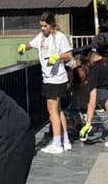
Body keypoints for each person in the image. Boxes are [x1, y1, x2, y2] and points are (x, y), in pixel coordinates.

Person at [18, 12, 73, 154]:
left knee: (52, 112)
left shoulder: (60, 37)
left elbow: (69, 54)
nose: (43, 28)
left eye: (45, 26)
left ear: (52, 25)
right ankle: (65, 141)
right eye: (41, 26)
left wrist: (58, 56)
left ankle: (56, 143)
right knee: (59, 110)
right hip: (48, 77)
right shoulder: (41, 37)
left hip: (56, 78)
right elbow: (31, 44)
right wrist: (24, 46)